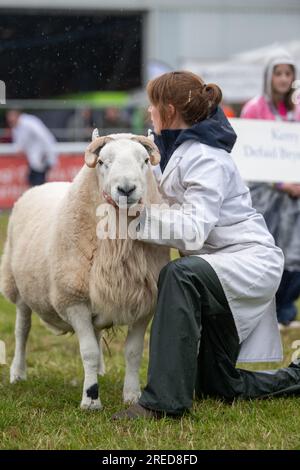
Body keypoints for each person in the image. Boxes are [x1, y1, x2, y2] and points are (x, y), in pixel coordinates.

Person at [112, 71, 300, 420]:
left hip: (247, 264)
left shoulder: (206, 157)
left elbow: (195, 229)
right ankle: (297, 376)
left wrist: (134, 220)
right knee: (219, 386)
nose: (149, 113)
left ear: (167, 110)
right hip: (219, 268)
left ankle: (163, 403)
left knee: (180, 275)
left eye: (152, 106)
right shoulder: (180, 152)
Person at [241, 50, 300, 330]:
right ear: (269, 77)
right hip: (266, 195)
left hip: (295, 197)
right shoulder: (254, 108)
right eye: (279, 73)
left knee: (294, 252)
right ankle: (265, 312)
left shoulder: (297, 109)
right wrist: (280, 183)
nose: (284, 79)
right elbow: (250, 153)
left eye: (289, 73)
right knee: (268, 250)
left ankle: (286, 311)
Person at [6, 110, 58, 186]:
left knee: (38, 182)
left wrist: (46, 153)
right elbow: (19, 145)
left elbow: (44, 136)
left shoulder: (29, 123)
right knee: (32, 180)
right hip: (34, 158)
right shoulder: (16, 127)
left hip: (42, 155)